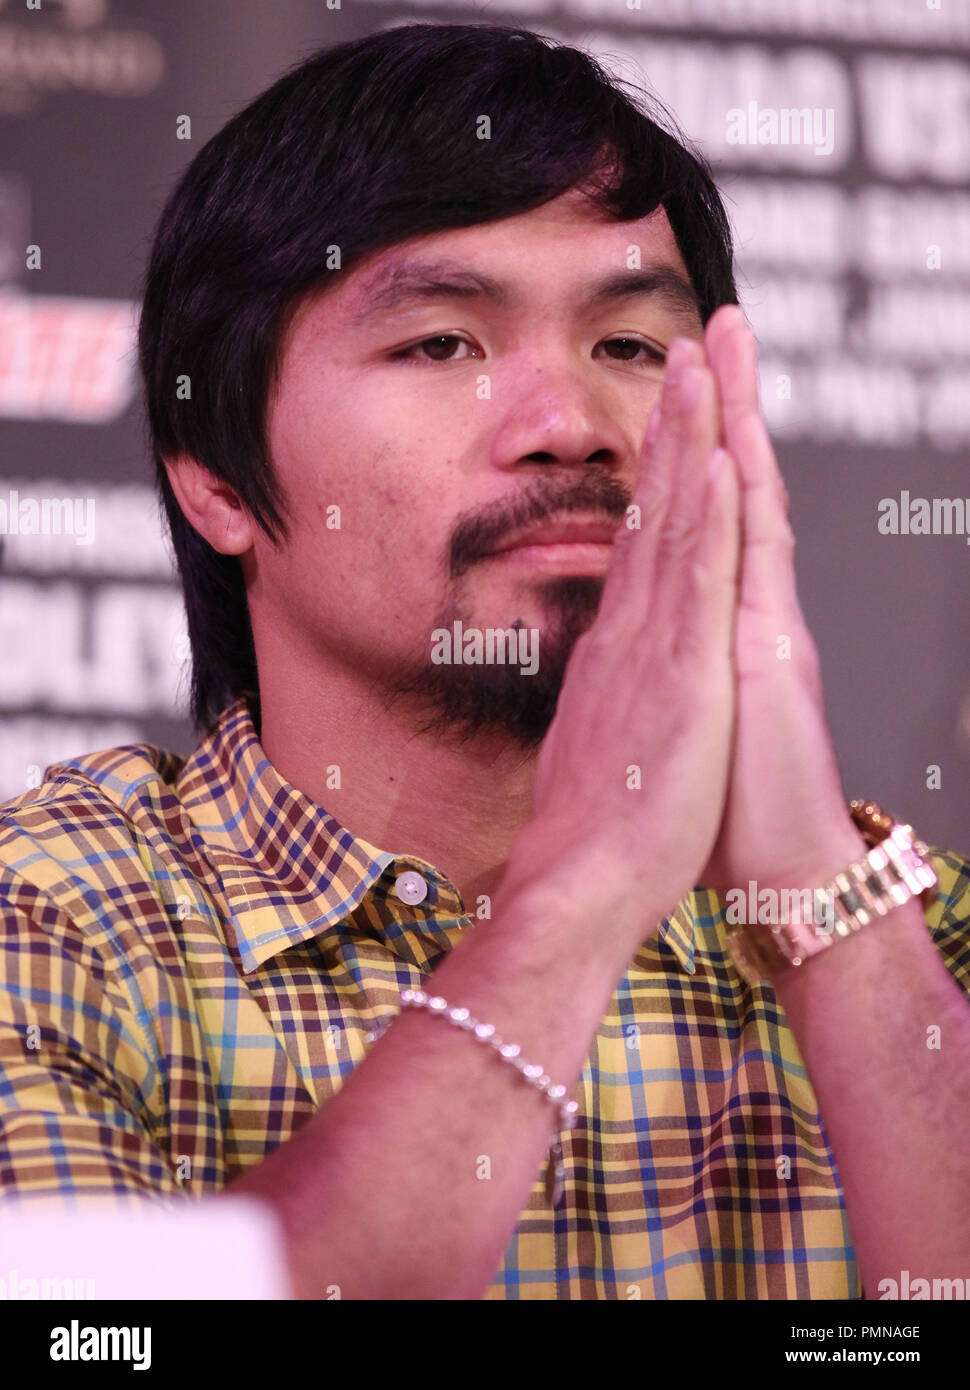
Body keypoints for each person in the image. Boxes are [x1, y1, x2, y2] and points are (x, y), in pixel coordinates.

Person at [1, 22, 968, 1302]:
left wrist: (806, 889)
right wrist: (581, 893)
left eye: (629, 346)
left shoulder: (913, 931)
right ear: (217, 478)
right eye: (441, 345)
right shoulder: (58, 919)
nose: (570, 424)